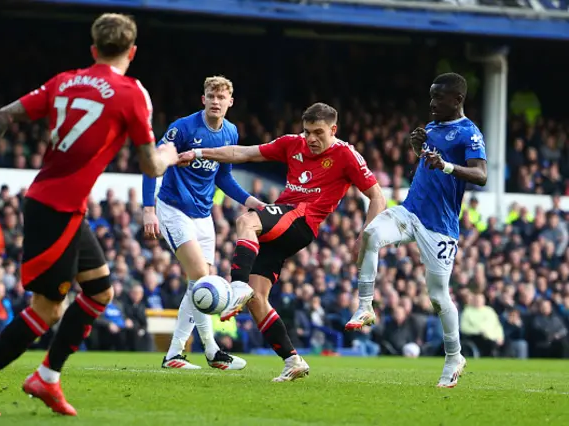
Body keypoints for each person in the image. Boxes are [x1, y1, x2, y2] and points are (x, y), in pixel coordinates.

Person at [0, 13, 178, 416]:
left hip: (62, 207)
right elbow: (150, 167)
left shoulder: (64, 81)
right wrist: (170, 155)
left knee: (100, 292)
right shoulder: (131, 93)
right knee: (48, 309)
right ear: (132, 51)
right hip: (55, 210)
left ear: (93, 49)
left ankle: (47, 378)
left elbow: (4, 114)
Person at [178, 102, 386, 381]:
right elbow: (243, 153)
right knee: (257, 298)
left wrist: (366, 236)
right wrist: (199, 152)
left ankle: (236, 286)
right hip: (284, 222)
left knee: (246, 221)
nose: (311, 139)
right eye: (307, 131)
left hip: (302, 219)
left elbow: (378, 197)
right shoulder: (292, 144)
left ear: (333, 129)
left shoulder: (346, 155)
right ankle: (292, 360)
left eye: (319, 132)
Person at [346, 73, 487, 388]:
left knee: (438, 296)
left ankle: (454, 356)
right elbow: (430, 165)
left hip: (440, 227)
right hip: (410, 211)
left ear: (457, 100)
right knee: (370, 233)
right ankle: (366, 305)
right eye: (431, 96)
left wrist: (447, 166)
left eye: (438, 98)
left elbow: (480, 175)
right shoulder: (433, 129)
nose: (432, 103)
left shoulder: (470, 133)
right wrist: (417, 150)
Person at [142, 76, 263, 370]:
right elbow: (152, 163)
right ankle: (212, 351)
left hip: (203, 213)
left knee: (198, 284)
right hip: (173, 208)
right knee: (201, 276)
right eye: (211, 96)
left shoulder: (230, 132)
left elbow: (223, 177)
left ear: (230, 102)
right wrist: (148, 209)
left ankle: (174, 355)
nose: (216, 101)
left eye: (222, 97)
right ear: (203, 99)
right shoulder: (183, 128)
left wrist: (251, 202)